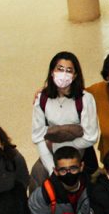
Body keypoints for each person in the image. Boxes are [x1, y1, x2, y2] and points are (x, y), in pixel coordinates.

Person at [31, 51, 100, 186]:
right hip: (52, 154)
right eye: (60, 69)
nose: (64, 74)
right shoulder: (42, 99)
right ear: (52, 72)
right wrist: (53, 169)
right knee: (38, 177)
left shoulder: (85, 99)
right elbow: (38, 136)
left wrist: (62, 146)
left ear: (75, 76)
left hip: (81, 153)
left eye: (69, 70)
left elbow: (91, 137)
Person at [27, 146, 95, 214]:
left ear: (81, 166)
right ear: (55, 171)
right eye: (63, 170)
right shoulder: (42, 195)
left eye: (73, 168)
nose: (69, 174)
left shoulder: (92, 188)